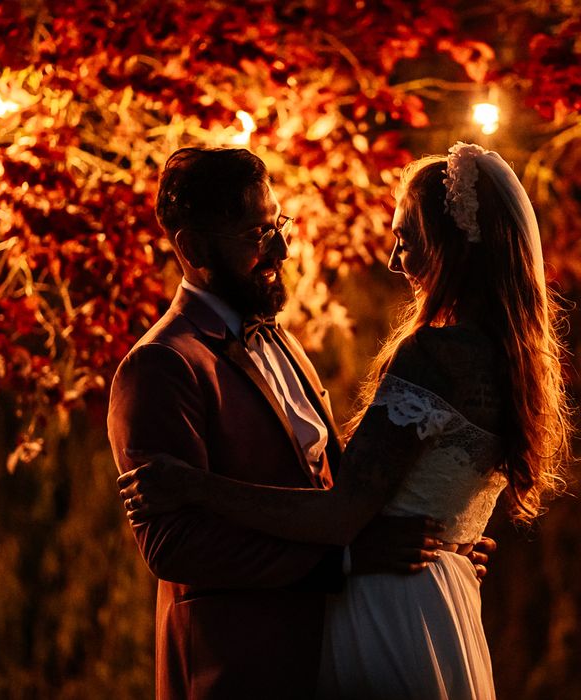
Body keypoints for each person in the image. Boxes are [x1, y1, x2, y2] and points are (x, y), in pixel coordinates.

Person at [119, 143, 572, 699]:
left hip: (374, 625)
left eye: (278, 223)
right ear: (192, 247)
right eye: (259, 234)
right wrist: (354, 558)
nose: (283, 248)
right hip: (245, 668)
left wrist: (444, 543)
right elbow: (176, 547)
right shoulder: (162, 364)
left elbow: (344, 496)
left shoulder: (290, 347)